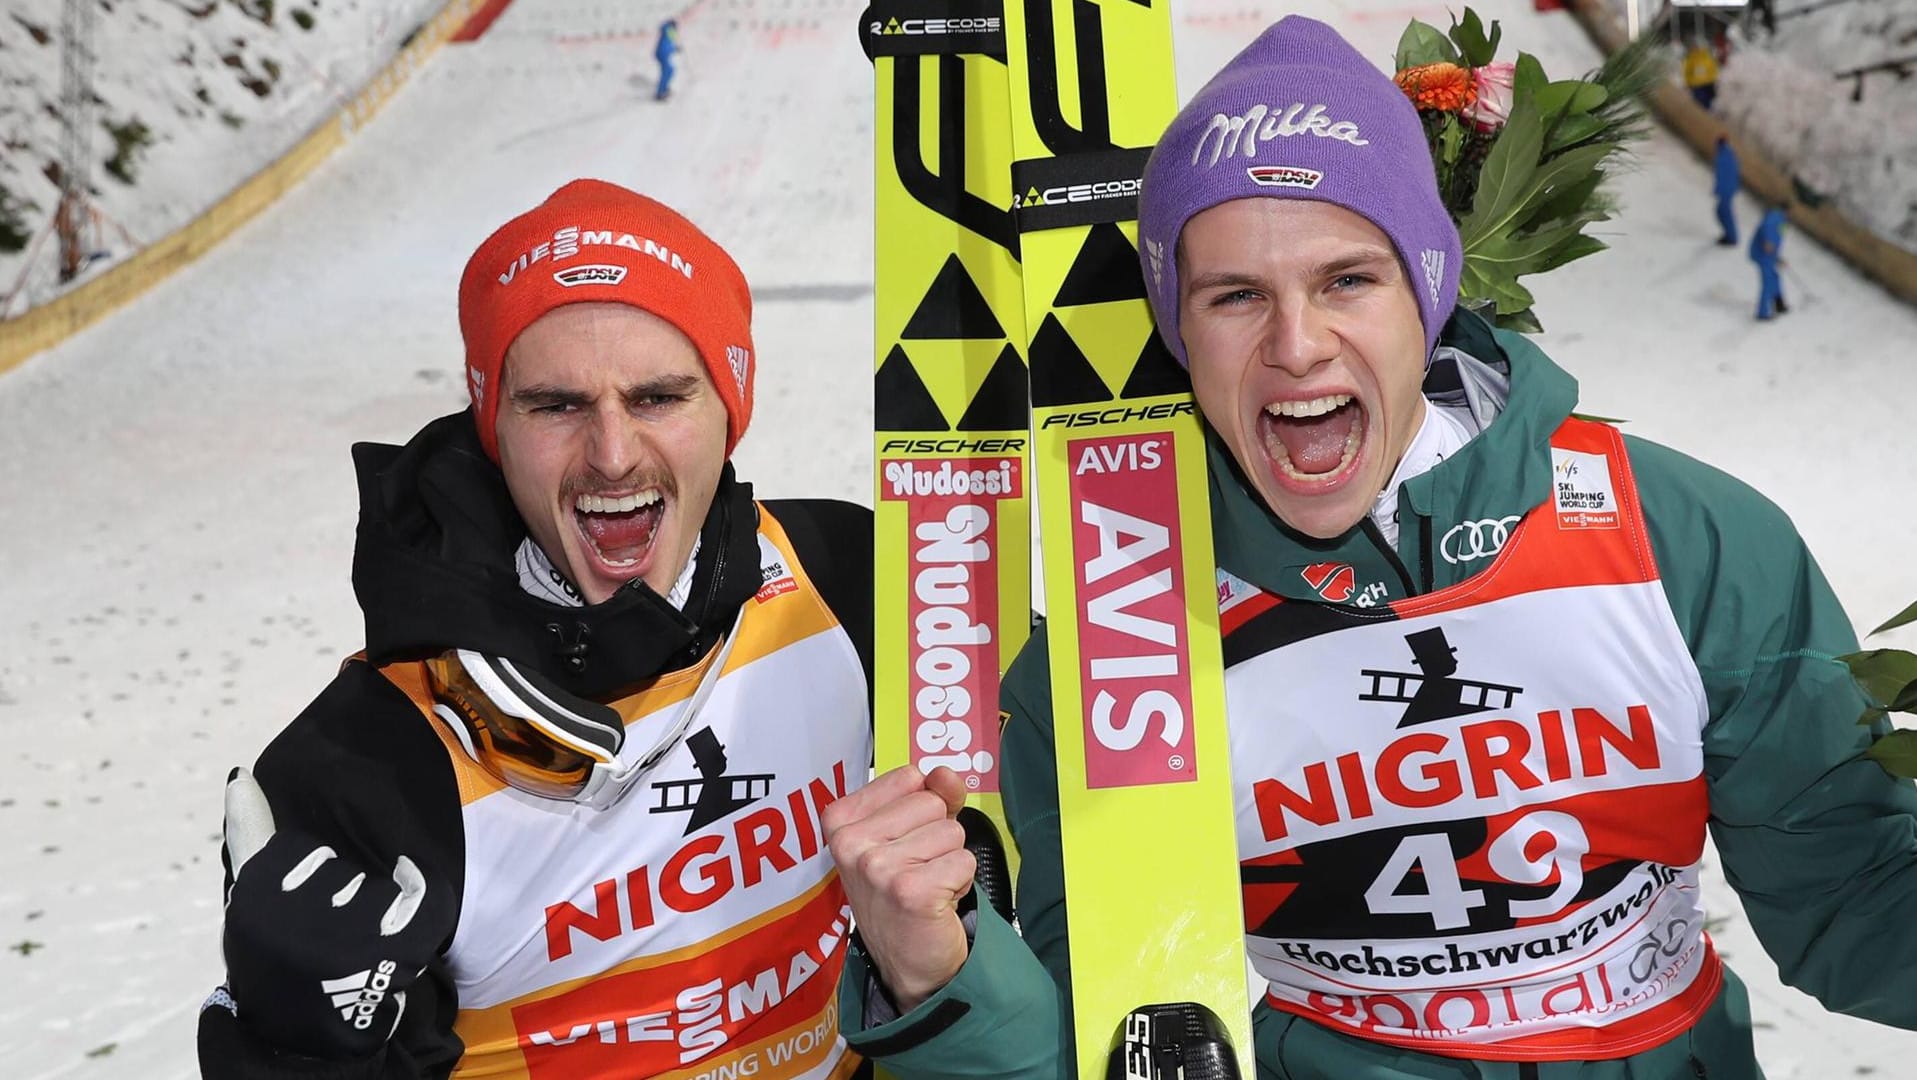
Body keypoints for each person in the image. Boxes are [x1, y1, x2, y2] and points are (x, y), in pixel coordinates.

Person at [831, 16, 1917, 1079]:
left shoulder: (1684, 540)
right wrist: (944, 982)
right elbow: (1120, 1031)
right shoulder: (1122, 646)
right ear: (1178, 329)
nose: (1297, 347)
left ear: (1428, 293)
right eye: (1235, 297)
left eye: (1347, 279)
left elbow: (1854, 893)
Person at [197, 178, 876, 1078]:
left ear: (731, 407)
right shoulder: (375, 760)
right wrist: (289, 1051)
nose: (611, 453)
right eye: (555, 406)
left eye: (657, 397)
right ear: (494, 427)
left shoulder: (847, 575)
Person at [1751, 202, 1790, 319]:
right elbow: (1766, 227)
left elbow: (1777, 241)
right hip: (1762, 255)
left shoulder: (1783, 222)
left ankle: (1779, 303)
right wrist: (1768, 242)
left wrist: (1777, 257)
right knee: (1768, 282)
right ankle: (1763, 313)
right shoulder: (1775, 217)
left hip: (1769, 255)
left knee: (1774, 277)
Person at [1712, 135, 1740, 245]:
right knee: (1722, 212)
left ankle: (1731, 237)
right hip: (1729, 189)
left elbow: (1722, 175)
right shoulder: (1729, 155)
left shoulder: (1723, 157)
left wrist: (1718, 189)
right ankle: (1729, 235)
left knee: (1723, 212)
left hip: (1726, 190)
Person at [1684, 41, 1719, 111]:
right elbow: (1687, 72)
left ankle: (1708, 113)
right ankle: (1705, 114)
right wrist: (1688, 82)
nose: (1694, 49)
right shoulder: (1690, 59)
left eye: (1695, 47)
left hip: (1708, 82)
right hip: (1697, 85)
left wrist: (1714, 78)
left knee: (1709, 99)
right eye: (1693, 48)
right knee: (1701, 102)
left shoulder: (1705, 56)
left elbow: (1713, 67)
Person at [655, 18, 681, 101]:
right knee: (668, 71)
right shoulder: (669, 31)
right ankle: (660, 93)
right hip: (663, 54)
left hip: (662, 54)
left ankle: (664, 89)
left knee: (668, 71)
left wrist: (675, 48)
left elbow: (668, 43)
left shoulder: (667, 30)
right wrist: (675, 48)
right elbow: (667, 46)